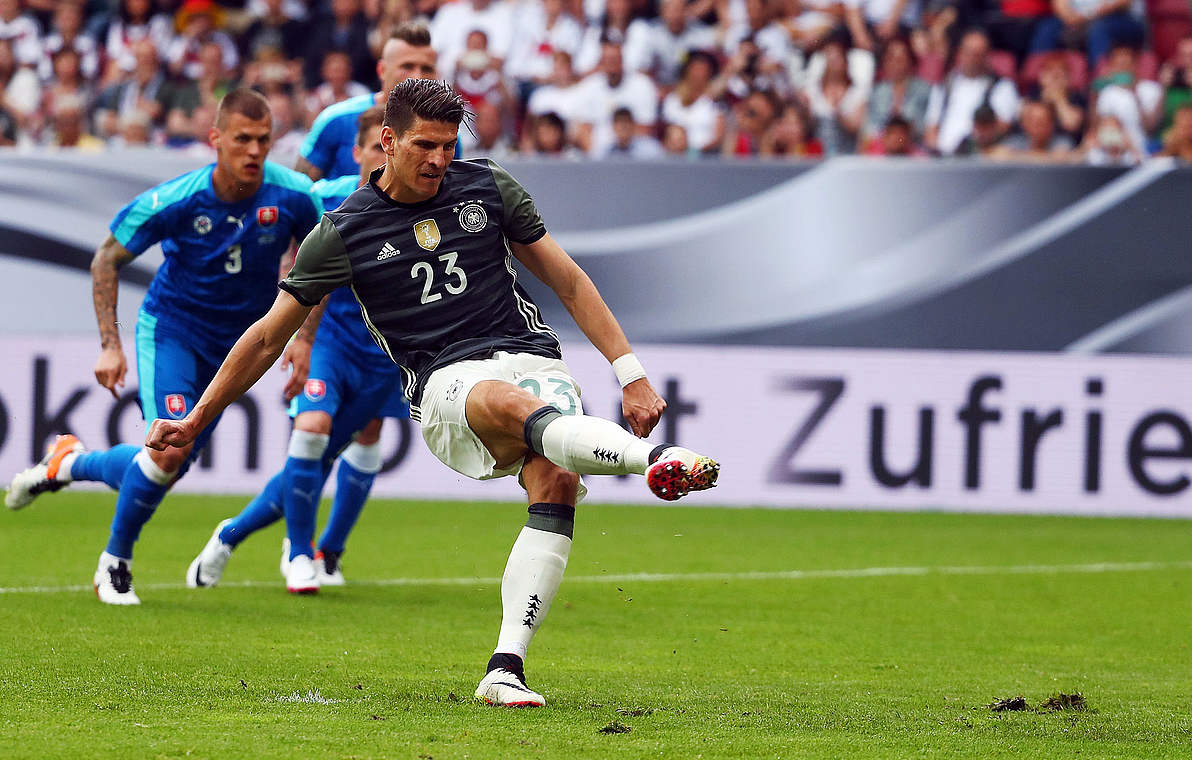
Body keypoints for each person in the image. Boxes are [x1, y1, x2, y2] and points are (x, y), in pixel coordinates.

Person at [146, 79, 720, 706]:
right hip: (446, 381)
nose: (439, 161)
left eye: (449, 146)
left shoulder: (488, 187)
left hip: (532, 355)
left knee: (553, 482)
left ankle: (506, 668)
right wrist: (200, 418)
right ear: (386, 142)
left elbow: (571, 282)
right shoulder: (343, 232)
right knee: (509, 403)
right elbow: (263, 340)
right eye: (425, 145)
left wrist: (629, 372)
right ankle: (655, 461)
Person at [4, 89, 322, 605]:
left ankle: (68, 462)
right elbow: (106, 257)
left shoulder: (293, 195)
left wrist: (304, 338)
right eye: (242, 139)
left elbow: (317, 266)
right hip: (174, 330)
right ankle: (115, 562)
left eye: (264, 140)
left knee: (168, 462)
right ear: (215, 139)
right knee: (169, 449)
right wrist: (110, 345)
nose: (254, 151)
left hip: (238, 348)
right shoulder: (176, 198)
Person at [187, 106, 402, 593]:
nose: (382, 157)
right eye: (374, 147)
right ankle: (301, 553)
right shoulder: (325, 198)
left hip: (385, 355)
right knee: (312, 428)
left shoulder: (424, 208)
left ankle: (238, 534)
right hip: (329, 339)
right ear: (358, 151)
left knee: (330, 456)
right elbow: (295, 254)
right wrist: (302, 339)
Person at [296, 21, 437, 181]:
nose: (417, 77)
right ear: (382, 70)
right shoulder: (336, 119)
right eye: (407, 66)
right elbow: (301, 190)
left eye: (426, 69)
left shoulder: (444, 135)